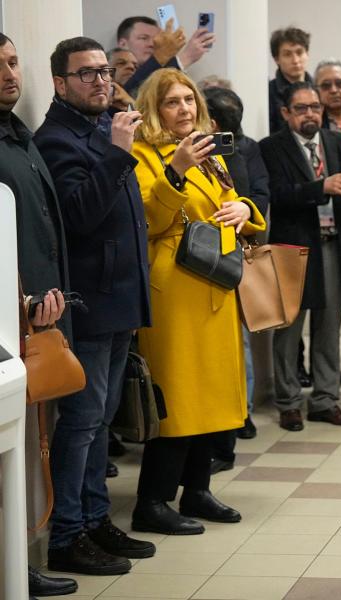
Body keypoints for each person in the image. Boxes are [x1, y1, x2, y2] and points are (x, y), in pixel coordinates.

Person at [33, 36, 154, 576]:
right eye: (86, 74)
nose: (101, 80)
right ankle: (67, 535)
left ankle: (95, 520)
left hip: (121, 296)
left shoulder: (107, 130)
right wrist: (116, 154)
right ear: (59, 83)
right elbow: (80, 217)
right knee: (81, 422)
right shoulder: (56, 139)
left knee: (102, 421)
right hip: (88, 302)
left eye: (104, 71)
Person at [129, 68, 266, 535]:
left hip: (217, 282)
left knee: (213, 394)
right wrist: (177, 169)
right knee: (180, 397)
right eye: (172, 102)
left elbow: (231, 200)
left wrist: (245, 210)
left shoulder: (209, 151)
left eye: (189, 101)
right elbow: (148, 220)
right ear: (154, 109)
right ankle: (152, 501)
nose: (184, 109)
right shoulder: (141, 154)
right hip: (174, 292)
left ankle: (198, 490)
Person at [0, 30, 80, 599]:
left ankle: (17, 562)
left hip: (33, 314)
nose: (10, 74)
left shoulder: (19, 135)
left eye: (12, 62)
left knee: (30, 449)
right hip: (9, 317)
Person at [260, 82, 341, 431]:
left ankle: (325, 400)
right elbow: (275, 196)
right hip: (293, 247)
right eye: (301, 108)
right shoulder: (272, 147)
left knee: (329, 327)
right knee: (289, 330)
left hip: (334, 244)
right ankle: (289, 402)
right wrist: (320, 187)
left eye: (315, 108)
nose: (310, 114)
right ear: (286, 113)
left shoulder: (338, 141)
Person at [203, 86, 270, 463]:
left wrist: (244, 210)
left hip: (240, 248)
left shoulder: (248, 149)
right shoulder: (191, 153)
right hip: (201, 256)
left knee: (241, 339)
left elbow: (260, 193)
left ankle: (240, 411)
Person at [116, 16, 213, 96]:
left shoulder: (163, 72)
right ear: (123, 44)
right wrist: (184, 58)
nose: (152, 43)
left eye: (156, 39)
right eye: (143, 38)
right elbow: (125, 97)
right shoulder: (110, 72)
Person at [268, 27, 312, 134]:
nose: (295, 60)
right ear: (277, 59)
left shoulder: (318, 89)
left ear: (307, 54)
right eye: (287, 54)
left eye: (299, 52)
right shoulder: (269, 92)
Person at [314, 59, 341, 134]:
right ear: (316, 90)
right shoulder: (313, 122)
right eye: (326, 85)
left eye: (340, 83)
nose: (333, 90)